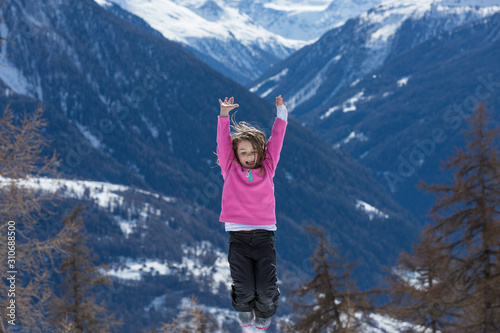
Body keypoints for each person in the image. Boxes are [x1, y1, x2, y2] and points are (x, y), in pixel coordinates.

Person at [216, 95, 288, 330]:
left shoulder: (267, 168)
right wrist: (224, 116)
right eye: (243, 152)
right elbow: (223, 143)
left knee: (266, 289)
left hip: (264, 238)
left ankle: (265, 310)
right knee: (244, 285)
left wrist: (281, 114)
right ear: (236, 155)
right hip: (238, 238)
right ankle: (244, 308)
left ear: (261, 153)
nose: (248, 156)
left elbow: (277, 141)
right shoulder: (230, 168)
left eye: (253, 152)